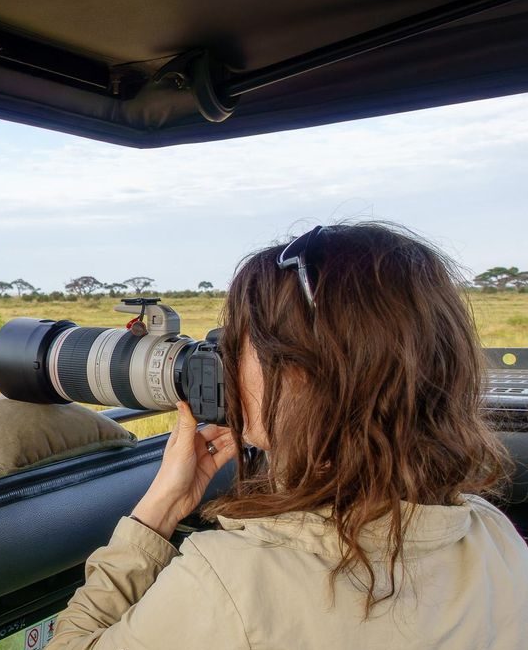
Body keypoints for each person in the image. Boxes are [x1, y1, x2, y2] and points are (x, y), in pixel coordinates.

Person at [48, 222, 528, 649]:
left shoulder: (232, 584)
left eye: (237, 341)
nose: (222, 360)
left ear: (303, 377)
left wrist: (158, 511)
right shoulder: (493, 536)